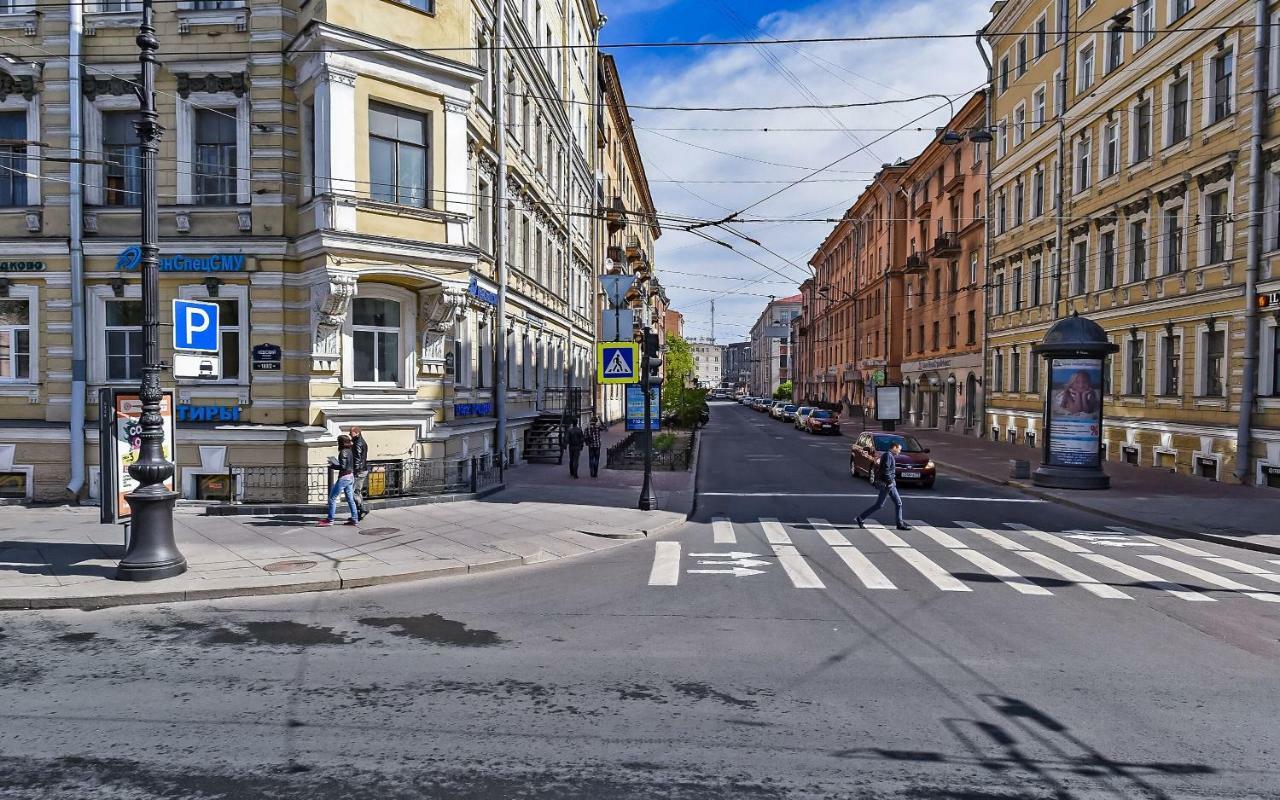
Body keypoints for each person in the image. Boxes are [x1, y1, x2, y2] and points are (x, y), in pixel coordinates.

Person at [854, 440, 910, 531]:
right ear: (894, 448)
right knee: (890, 504)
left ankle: (860, 518)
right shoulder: (888, 456)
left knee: (888, 504)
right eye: (899, 449)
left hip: (890, 484)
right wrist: (890, 481)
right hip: (888, 484)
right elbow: (885, 470)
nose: (900, 451)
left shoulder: (889, 455)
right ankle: (899, 524)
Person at [318, 434, 359, 527]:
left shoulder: (343, 452)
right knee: (350, 499)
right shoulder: (350, 450)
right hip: (350, 476)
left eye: (338, 442)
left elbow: (343, 467)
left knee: (332, 498)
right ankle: (354, 519)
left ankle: (330, 519)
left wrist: (332, 465)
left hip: (344, 478)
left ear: (341, 443)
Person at [350, 426, 370, 520]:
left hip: (359, 471)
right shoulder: (361, 442)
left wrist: (355, 471)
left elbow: (357, 459)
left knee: (353, 492)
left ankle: (362, 510)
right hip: (363, 469)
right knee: (357, 491)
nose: (350, 434)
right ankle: (360, 512)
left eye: (351, 433)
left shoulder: (358, 443)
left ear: (357, 433)